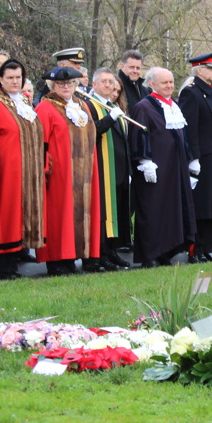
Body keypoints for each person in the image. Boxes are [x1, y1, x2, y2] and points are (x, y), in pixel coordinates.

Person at [0, 59, 45, 280]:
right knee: (6, 216)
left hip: (28, 171)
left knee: (19, 217)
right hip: (6, 172)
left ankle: (12, 261)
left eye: (18, 77)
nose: (15, 81)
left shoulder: (26, 102)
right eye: (10, 78)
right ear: (1, 80)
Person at [129, 67, 196, 267]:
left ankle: (166, 251)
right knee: (153, 209)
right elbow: (139, 134)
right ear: (152, 84)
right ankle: (149, 254)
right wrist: (144, 160)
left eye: (171, 82)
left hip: (175, 169)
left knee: (172, 209)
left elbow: (182, 136)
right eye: (164, 82)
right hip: (155, 169)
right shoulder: (144, 107)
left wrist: (191, 161)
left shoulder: (174, 105)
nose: (169, 86)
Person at [35, 66, 100, 275]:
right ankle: (56, 260)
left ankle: (72, 256)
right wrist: (45, 169)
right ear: (53, 85)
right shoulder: (45, 108)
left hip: (84, 173)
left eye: (70, 83)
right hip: (59, 173)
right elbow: (40, 142)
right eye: (61, 84)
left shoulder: (83, 106)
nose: (66, 87)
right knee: (58, 215)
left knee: (80, 214)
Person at [178, 52, 212, 263]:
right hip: (202, 159)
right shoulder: (191, 94)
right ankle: (196, 249)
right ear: (199, 70)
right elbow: (190, 128)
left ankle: (208, 248)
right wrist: (193, 158)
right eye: (211, 68)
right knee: (201, 205)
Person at [80, 67, 133, 270]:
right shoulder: (89, 105)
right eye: (104, 82)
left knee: (117, 211)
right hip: (101, 167)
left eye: (111, 82)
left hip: (118, 167)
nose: (109, 86)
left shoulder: (112, 105)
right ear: (94, 85)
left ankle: (112, 250)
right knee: (103, 213)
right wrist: (111, 118)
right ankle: (100, 253)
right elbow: (92, 131)